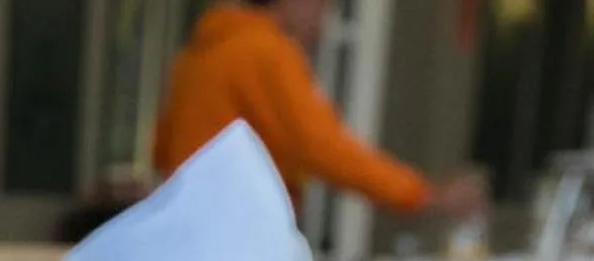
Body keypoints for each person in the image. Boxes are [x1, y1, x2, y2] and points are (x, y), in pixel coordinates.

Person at [153, 0, 487, 219]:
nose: (324, 20)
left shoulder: (197, 55)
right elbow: (323, 146)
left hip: (183, 234)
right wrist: (420, 194)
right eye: (322, 4)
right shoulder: (267, 52)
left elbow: (161, 151)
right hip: (235, 237)